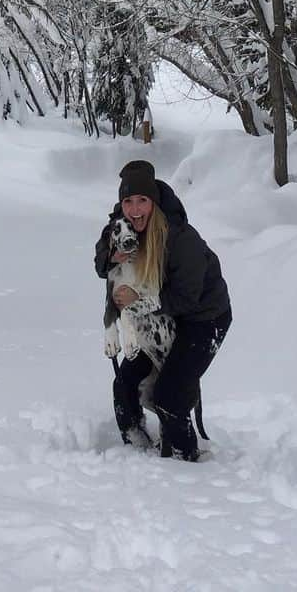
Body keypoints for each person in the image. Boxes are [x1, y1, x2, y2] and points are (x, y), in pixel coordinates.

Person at [95, 159, 232, 461]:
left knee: (169, 396)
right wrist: (111, 257)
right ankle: (135, 444)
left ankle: (185, 461)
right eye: (127, 201)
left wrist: (136, 302)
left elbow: (187, 297)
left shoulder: (181, 237)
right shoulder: (126, 223)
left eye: (142, 200)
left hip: (203, 316)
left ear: (153, 201)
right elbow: (101, 259)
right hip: (160, 318)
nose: (134, 209)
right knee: (125, 383)